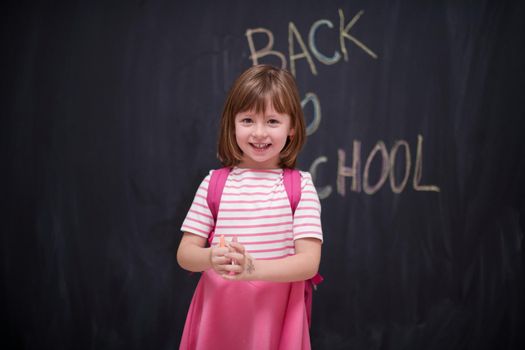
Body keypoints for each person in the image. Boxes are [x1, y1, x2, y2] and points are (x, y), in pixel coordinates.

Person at [177, 64, 323, 350]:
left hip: (274, 315)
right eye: (247, 120)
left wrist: (251, 269)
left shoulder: (300, 187)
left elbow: (309, 263)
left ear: (291, 126)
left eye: (272, 121)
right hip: (219, 312)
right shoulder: (214, 184)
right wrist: (210, 258)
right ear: (232, 123)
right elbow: (185, 254)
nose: (259, 133)